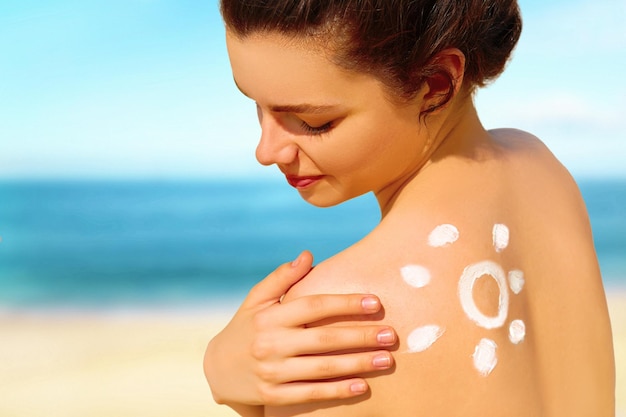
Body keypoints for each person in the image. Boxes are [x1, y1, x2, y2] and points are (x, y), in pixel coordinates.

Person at [204, 0, 616, 415]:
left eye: (314, 122)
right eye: (256, 104)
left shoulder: (339, 325)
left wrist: (230, 380)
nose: (266, 150)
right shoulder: (541, 166)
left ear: (436, 83)